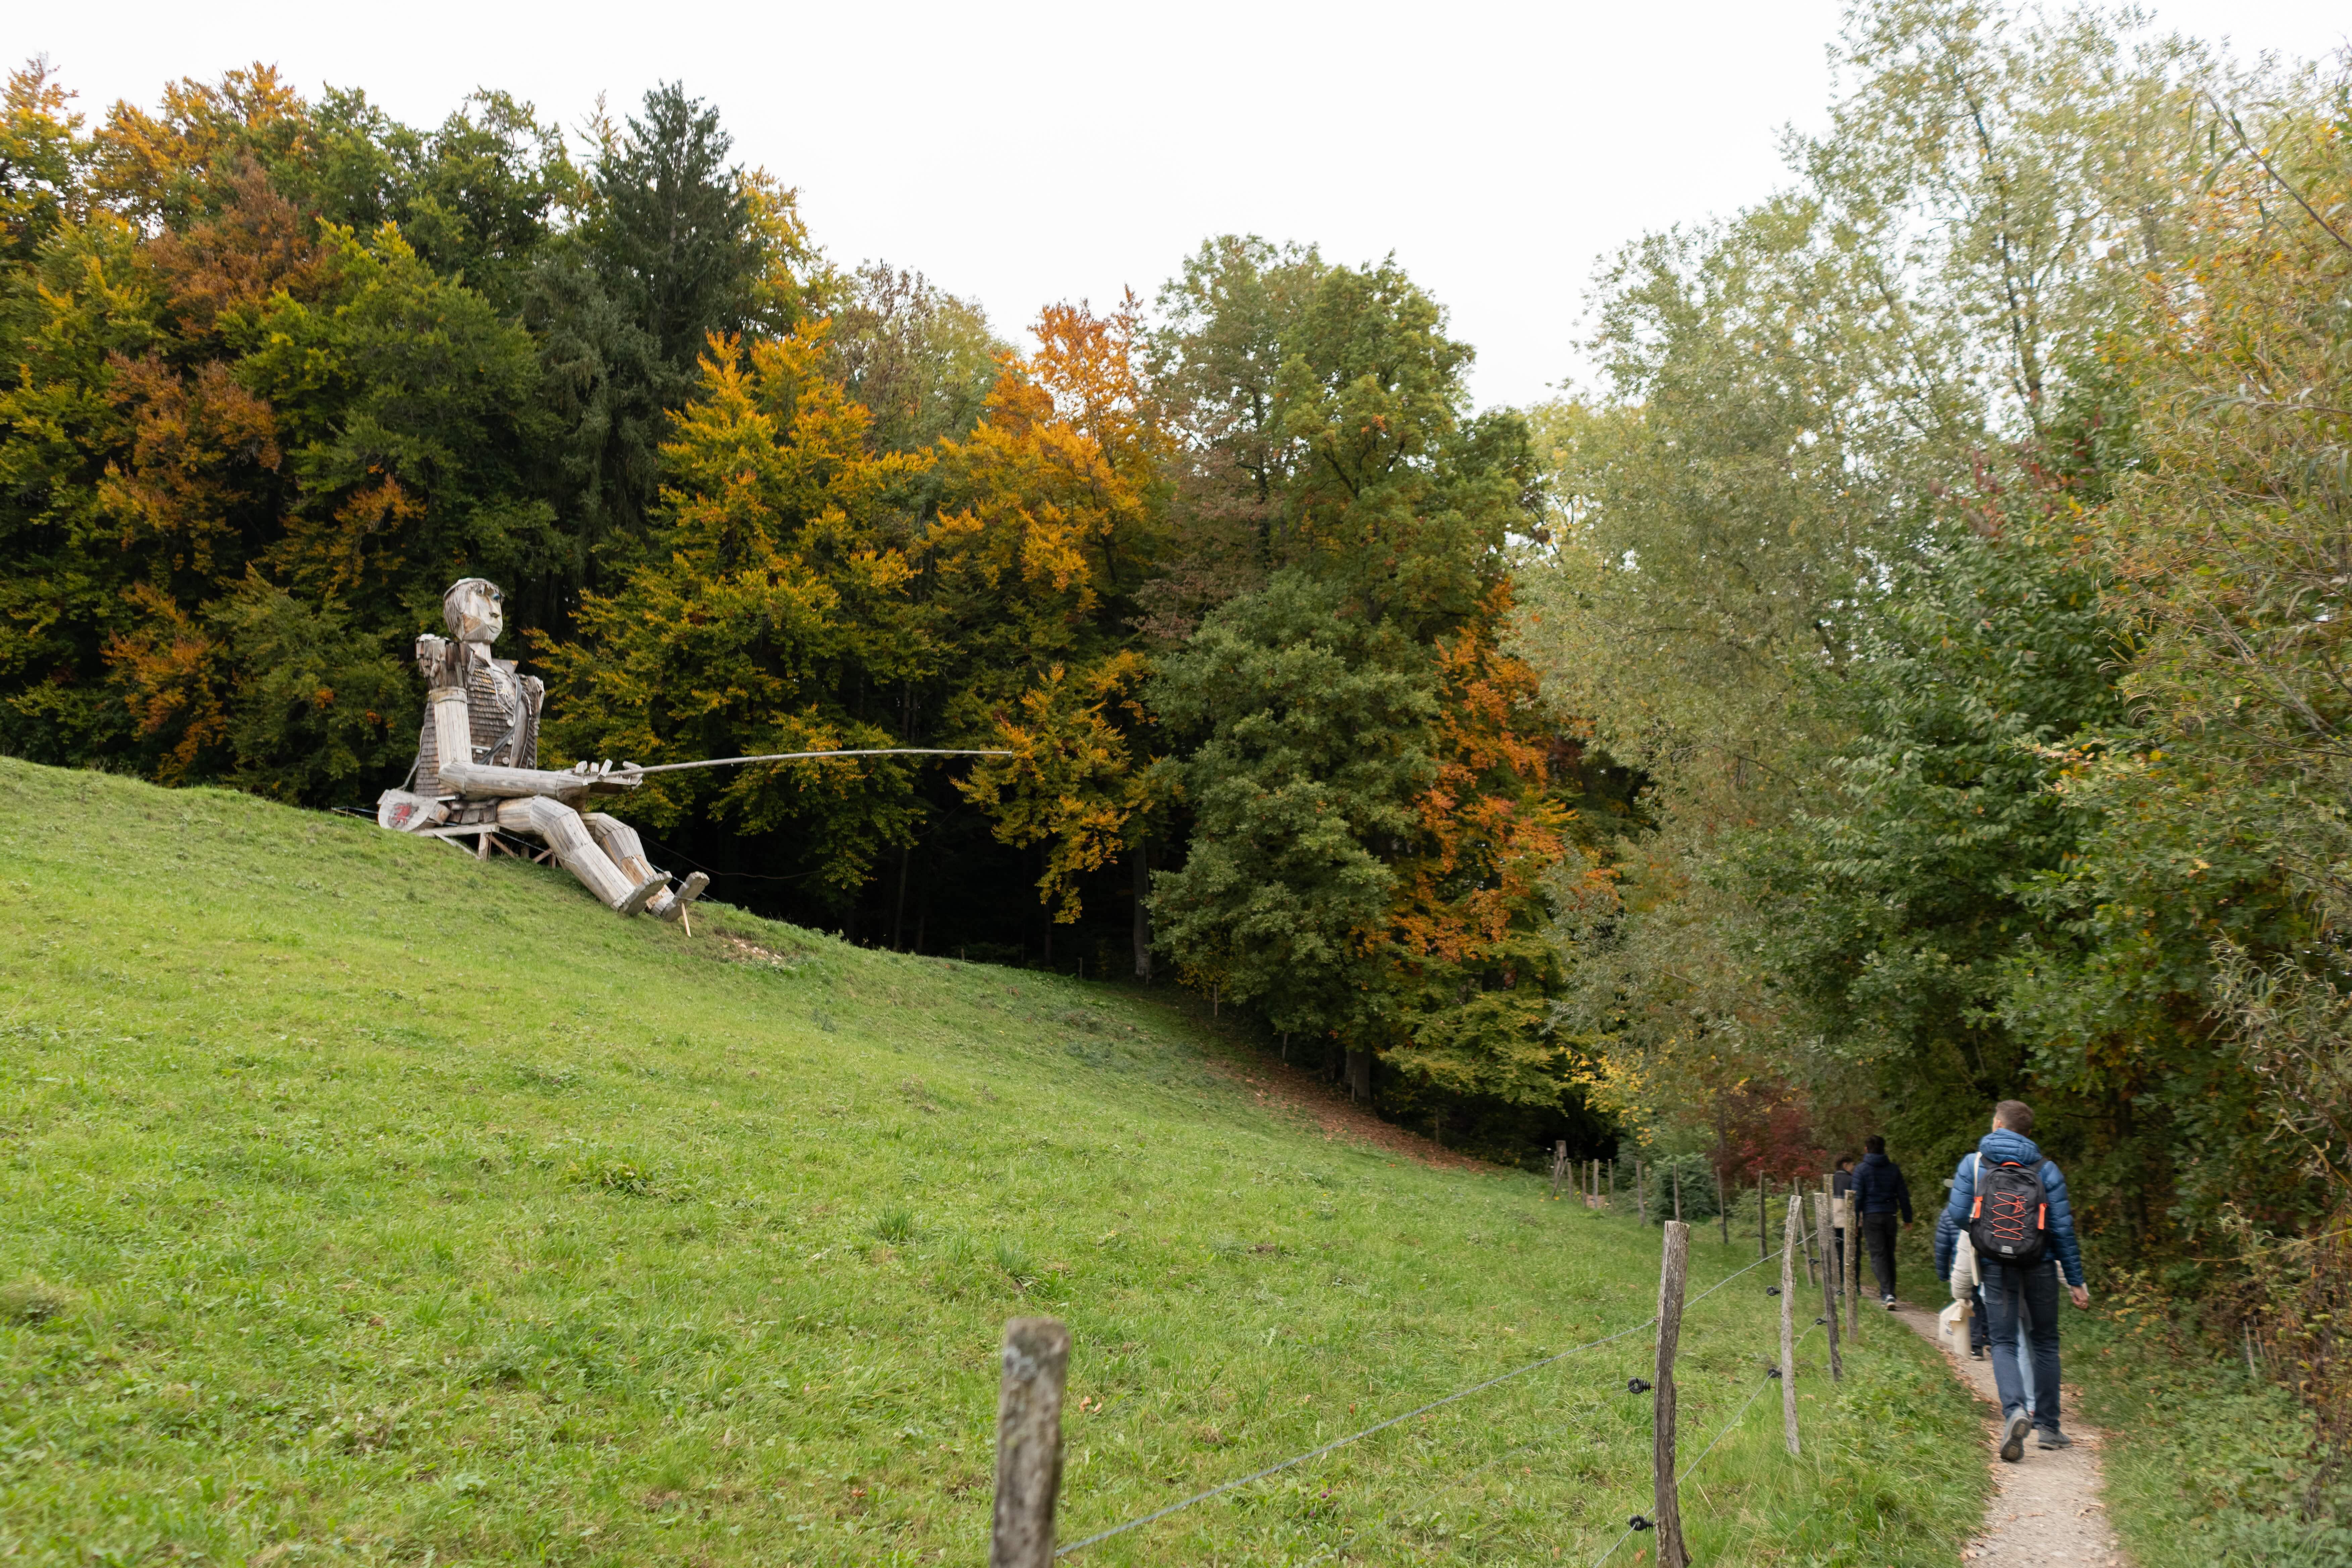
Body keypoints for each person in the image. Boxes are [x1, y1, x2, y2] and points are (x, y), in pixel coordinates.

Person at [377, 578, 707, 921]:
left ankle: (663, 903)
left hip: (509, 801)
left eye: (497, 600)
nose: (494, 609)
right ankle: (622, 896)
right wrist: (554, 783)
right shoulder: (449, 664)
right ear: (458, 611)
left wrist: (591, 783)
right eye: (482, 599)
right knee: (555, 815)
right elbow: (454, 772)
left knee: (612, 827)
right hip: (461, 805)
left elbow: (527, 769)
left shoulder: (524, 685)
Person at [1943, 1099, 2090, 1461]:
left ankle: (2015, 1412)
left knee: (2004, 1341)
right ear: (2028, 1133)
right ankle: (2050, 1428)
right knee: (2045, 1342)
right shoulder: (2047, 1170)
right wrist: (2076, 1281)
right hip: (2040, 1263)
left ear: (1997, 1124)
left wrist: (1987, 1235)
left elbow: (1958, 1214)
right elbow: (2063, 1231)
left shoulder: (1974, 1164)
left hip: (1995, 1264)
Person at [1851, 1134, 1914, 1308]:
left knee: (1878, 1255)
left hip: (1872, 1217)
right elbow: (1903, 1195)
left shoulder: (1861, 1170)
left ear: (1867, 1149)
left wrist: (1854, 1222)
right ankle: (1889, 1293)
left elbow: (1857, 1199)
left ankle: (1887, 1294)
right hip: (1890, 1216)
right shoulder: (1894, 1169)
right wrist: (1908, 1218)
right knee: (1889, 1254)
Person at [1830, 1155, 1856, 1287]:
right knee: (1852, 1252)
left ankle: (1839, 1281)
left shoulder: (1830, 1180)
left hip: (1833, 1222)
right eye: (1852, 1165)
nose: (1854, 1168)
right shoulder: (1852, 1180)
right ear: (1846, 1165)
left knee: (1838, 1251)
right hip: (1849, 1221)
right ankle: (1852, 1283)